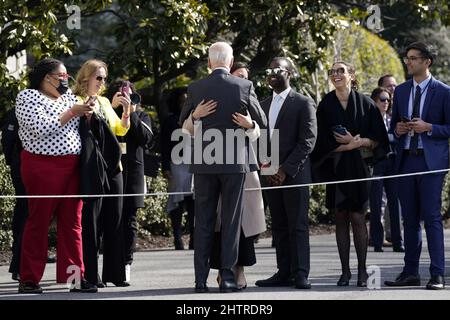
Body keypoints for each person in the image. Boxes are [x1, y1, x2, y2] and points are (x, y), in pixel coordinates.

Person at [179, 42, 267, 293]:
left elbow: (181, 123)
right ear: (231, 63)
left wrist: (195, 116)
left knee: (203, 222)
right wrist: (249, 124)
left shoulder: (196, 88)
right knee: (231, 222)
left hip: (204, 162)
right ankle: (227, 278)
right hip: (234, 163)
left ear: (209, 63)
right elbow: (260, 121)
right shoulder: (244, 86)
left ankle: (199, 281)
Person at [15, 58, 97, 293]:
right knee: (38, 221)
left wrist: (87, 112)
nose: (65, 80)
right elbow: (39, 128)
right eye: (60, 76)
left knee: (73, 223)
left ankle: (75, 278)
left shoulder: (69, 97)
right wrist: (72, 112)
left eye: (66, 76)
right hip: (42, 165)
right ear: (46, 77)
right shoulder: (28, 97)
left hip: (72, 166)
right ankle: (29, 279)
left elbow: (79, 123)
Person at [311, 61, 389, 287]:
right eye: (333, 71)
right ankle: (345, 271)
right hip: (336, 168)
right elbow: (320, 142)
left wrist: (359, 142)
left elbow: (379, 140)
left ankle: (362, 271)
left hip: (360, 169)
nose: (336, 75)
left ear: (351, 76)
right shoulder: (325, 105)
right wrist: (346, 146)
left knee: (357, 217)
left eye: (341, 71)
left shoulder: (366, 104)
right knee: (340, 217)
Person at [385, 42, 450, 290]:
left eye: (413, 58)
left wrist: (429, 127)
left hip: (431, 162)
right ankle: (410, 272)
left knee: (432, 217)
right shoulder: (400, 91)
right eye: (407, 58)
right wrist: (399, 129)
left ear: (427, 62)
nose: (408, 62)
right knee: (409, 219)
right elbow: (394, 127)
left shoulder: (444, 92)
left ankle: (437, 274)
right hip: (406, 160)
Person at [255, 57, 317, 290]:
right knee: (279, 225)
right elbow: (260, 141)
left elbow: (308, 141)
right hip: (270, 174)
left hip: (295, 174)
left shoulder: (303, 103)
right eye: (268, 69)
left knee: (297, 225)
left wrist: (285, 170)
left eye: (277, 69)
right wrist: (268, 169)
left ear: (289, 73)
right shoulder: (262, 105)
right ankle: (284, 271)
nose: (271, 73)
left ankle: (300, 273)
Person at [73, 59, 131, 287]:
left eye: (104, 78)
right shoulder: (75, 100)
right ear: (86, 78)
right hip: (91, 168)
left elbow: (120, 129)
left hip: (114, 167)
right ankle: (89, 275)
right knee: (91, 223)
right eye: (99, 78)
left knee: (115, 220)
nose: (102, 82)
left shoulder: (105, 101)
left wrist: (126, 112)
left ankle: (115, 274)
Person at [107, 80, 153, 283]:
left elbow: (146, 139)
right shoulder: (106, 112)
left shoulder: (141, 116)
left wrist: (130, 112)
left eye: (129, 95)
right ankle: (108, 266)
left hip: (133, 173)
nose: (125, 98)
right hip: (110, 172)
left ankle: (126, 262)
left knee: (129, 221)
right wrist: (112, 107)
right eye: (121, 95)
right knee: (107, 220)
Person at [369, 87, 404, 253]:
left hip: (393, 164)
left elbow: (397, 138)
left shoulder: (392, 120)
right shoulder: (368, 120)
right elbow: (375, 140)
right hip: (377, 164)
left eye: (388, 100)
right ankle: (377, 242)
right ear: (375, 101)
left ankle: (398, 241)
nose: (386, 102)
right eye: (382, 99)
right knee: (376, 204)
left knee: (395, 204)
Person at [161, 87, 195, 250]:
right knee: (177, 203)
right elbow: (165, 146)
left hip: (195, 164)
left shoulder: (197, 118)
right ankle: (177, 238)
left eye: (187, 101)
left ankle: (195, 238)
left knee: (194, 202)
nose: (184, 104)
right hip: (177, 165)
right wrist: (165, 166)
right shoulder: (170, 121)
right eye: (182, 101)